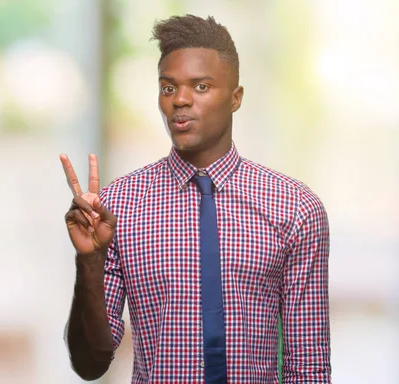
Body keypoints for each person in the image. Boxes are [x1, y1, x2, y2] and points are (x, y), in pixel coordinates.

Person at [59, 14, 331, 383]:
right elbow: (89, 365)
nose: (180, 100)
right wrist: (89, 260)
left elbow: (308, 367)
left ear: (235, 98)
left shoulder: (295, 208)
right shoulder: (116, 206)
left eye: (200, 87)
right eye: (168, 88)